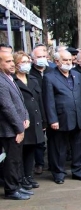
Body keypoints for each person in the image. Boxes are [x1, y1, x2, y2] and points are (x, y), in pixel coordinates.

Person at [43, 50, 81, 184]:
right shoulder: (49, 77)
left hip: (77, 116)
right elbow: (48, 100)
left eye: (70, 60)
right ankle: (58, 173)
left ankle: (78, 171)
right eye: (65, 60)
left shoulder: (77, 75)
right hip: (60, 118)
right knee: (59, 148)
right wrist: (52, 119)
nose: (68, 62)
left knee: (78, 147)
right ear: (57, 62)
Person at [0, 48, 31, 200]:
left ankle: (17, 185)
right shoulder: (0, 81)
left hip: (18, 127)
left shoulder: (9, 78)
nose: (12, 64)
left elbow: (20, 102)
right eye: (8, 61)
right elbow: (7, 107)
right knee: (11, 161)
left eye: (12, 61)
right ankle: (11, 190)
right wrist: (19, 128)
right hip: (9, 130)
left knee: (17, 159)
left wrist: (25, 116)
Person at [13, 52, 44, 190]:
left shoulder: (32, 79)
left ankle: (28, 175)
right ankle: (21, 178)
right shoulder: (13, 81)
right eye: (23, 62)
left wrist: (43, 120)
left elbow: (39, 101)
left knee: (31, 150)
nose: (26, 64)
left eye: (28, 61)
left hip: (35, 119)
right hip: (22, 121)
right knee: (21, 152)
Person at [29, 45, 52, 175]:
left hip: (51, 109)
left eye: (43, 57)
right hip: (37, 109)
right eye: (38, 57)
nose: (42, 59)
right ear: (33, 59)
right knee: (39, 139)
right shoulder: (30, 74)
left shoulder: (51, 71)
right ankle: (39, 163)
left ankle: (52, 163)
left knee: (53, 139)